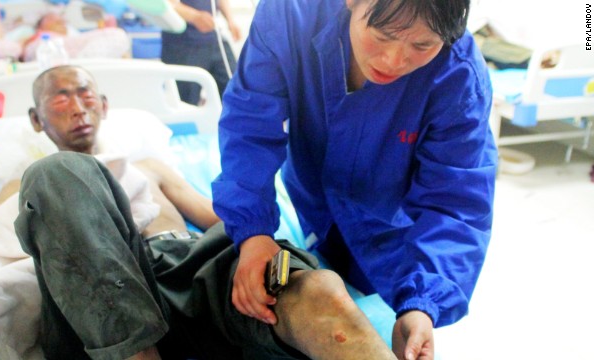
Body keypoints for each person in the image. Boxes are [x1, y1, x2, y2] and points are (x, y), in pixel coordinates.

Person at [14, 65, 397, 359]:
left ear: (104, 105)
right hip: (96, 298)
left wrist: (264, 252)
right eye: (61, 98)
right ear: (36, 118)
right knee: (57, 172)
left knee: (314, 290)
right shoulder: (25, 186)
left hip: (189, 270)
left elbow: (223, 221)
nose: (79, 107)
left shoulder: (148, 165)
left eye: (86, 94)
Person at [211, 0, 498, 359]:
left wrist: (423, 305)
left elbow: (455, 202)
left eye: (422, 46)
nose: (394, 60)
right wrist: (252, 232)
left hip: (392, 229)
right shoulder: (291, 13)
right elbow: (250, 124)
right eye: (382, 35)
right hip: (314, 202)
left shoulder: (458, 77)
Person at [160, 0, 241, 105]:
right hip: (183, 44)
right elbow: (164, 3)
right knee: (186, 102)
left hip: (214, 39)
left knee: (235, 91)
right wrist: (194, 16)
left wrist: (230, 20)